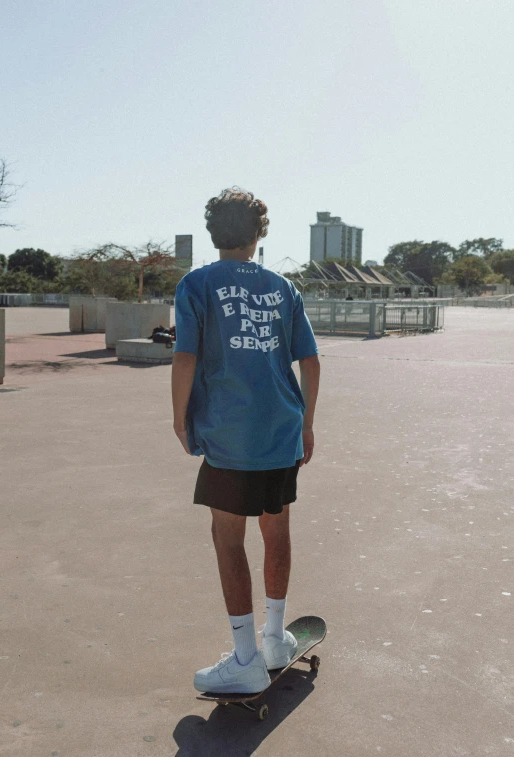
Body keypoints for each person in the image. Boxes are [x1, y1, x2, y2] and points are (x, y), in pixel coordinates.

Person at [171, 187, 320, 694]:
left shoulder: (196, 284)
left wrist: (179, 417)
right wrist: (307, 423)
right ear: (259, 234)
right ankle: (275, 639)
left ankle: (245, 659)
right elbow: (311, 360)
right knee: (275, 531)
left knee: (227, 538)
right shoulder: (283, 287)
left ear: (215, 233)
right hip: (281, 429)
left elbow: (185, 357)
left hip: (231, 434)